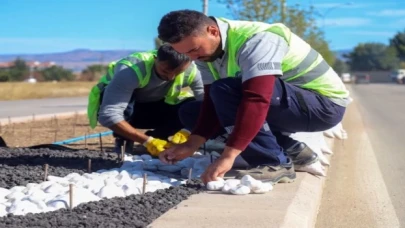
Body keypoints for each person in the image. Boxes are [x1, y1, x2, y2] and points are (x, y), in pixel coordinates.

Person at [156, 10, 351, 184]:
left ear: (213, 31)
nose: (192, 58)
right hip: (285, 104)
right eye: (186, 54)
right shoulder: (205, 54)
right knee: (191, 112)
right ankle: (293, 151)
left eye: (194, 50)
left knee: (225, 89)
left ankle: (273, 162)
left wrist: (228, 155)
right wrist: (190, 145)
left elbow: (256, 100)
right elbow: (210, 106)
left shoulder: (257, 40)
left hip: (322, 106)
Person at [87, 44, 204, 157]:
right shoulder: (130, 70)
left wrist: (189, 130)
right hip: (128, 111)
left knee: (191, 107)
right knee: (124, 103)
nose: (171, 77)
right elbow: (108, 114)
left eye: (178, 73)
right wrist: (147, 141)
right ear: (155, 59)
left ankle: (160, 138)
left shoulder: (192, 70)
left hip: (156, 108)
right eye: (165, 71)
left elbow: (206, 105)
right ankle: (125, 140)